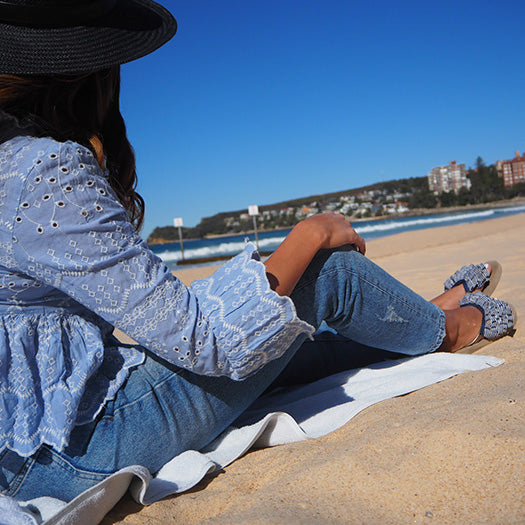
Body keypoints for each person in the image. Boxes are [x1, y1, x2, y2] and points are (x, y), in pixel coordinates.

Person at [0, 0, 515, 505]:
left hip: (29, 447)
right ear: (89, 69)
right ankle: (446, 330)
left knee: (286, 339)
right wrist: (311, 233)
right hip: (76, 450)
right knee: (324, 275)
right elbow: (204, 339)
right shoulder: (43, 172)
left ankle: (412, 320)